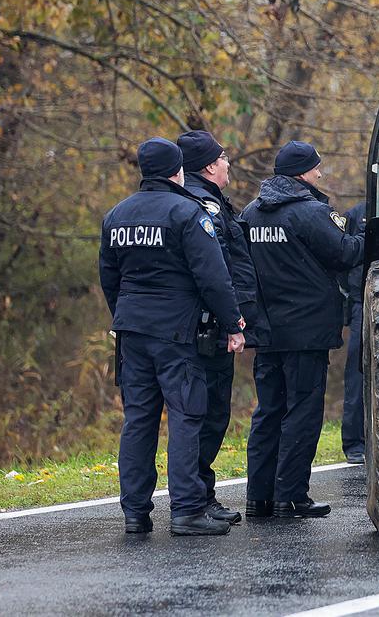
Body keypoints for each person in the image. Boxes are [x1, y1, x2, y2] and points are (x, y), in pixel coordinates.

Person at [98, 137, 246, 536]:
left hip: (131, 333)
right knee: (187, 416)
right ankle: (185, 510)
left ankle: (135, 513)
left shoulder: (116, 215)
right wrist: (233, 324)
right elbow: (213, 277)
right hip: (176, 333)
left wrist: (127, 316)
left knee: (138, 421)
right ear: (178, 171)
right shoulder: (187, 213)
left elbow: (108, 279)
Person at [242, 141, 365, 518]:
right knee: (302, 413)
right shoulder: (310, 212)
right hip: (307, 330)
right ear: (300, 174)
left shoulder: (251, 213)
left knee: (268, 411)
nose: (319, 174)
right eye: (315, 168)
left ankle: (258, 497)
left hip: (267, 330)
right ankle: (291, 495)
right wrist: (366, 236)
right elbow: (344, 253)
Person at [178, 129, 267, 525]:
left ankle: (201, 494)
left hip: (207, 323)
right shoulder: (205, 208)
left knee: (208, 412)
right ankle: (197, 498)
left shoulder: (208, 201)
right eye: (224, 157)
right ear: (211, 165)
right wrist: (232, 321)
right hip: (208, 327)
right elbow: (217, 272)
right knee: (209, 412)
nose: (229, 162)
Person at [340, 202, 366, 464]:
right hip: (361, 301)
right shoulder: (357, 215)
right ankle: (353, 442)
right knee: (357, 373)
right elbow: (341, 259)